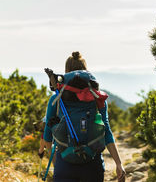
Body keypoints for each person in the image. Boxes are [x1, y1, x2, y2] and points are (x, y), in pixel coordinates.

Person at [41, 51, 126, 182]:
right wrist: (119, 164)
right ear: (86, 70)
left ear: (66, 71)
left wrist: (56, 163)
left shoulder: (56, 99)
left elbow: (47, 137)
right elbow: (107, 132)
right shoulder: (97, 98)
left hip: (64, 165)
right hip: (93, 164)